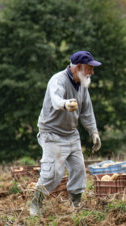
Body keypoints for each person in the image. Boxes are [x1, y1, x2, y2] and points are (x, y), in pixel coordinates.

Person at [29, 51, 102, 216]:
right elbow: (55, 99)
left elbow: (87, 111)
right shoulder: (58, 80)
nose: (92, 72)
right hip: (51, 134)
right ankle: (36, 204)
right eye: (89, 68)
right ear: (77, 68)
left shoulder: (83, 84)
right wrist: (65, 103)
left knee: (79, 170)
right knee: (53, 173)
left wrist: (94, 132)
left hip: (70, 134)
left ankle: (75, 206)